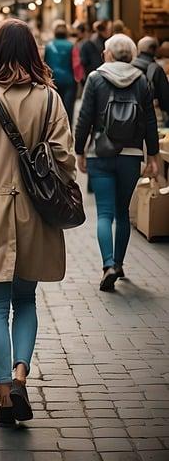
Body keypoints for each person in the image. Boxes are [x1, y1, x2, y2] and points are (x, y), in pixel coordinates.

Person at [0, 18, 76, 425]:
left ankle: (6, 395)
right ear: (32, 51)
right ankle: (22, 374)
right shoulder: (50, 98)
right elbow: (64, 160)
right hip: (37, 214)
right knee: (26, 300)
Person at [75, 34, 159, 292]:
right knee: (123, 213)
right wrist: (153, 155)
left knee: (104, 213)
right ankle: (120, 264)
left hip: (100, 153)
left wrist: (79, 150)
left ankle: (108, 264)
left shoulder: (95, 78)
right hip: (131, 155)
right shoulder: (141, 80)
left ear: (109, 54)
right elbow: (150, 121)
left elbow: (85, 118)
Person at [44, 20, 77, 124]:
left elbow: (45, 64)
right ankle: (68, 131)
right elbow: (76, 64)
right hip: (69, 81)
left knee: (54, 109)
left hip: (53, 80)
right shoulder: (71, 45)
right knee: (68, 109)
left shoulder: (49, 46)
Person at [133, 36, 169, 117]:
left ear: (138, 50)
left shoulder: (129, 66)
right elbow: (165, 99)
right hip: (151, 115)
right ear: (155, 50)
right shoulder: (156, 69)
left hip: (132, 115)